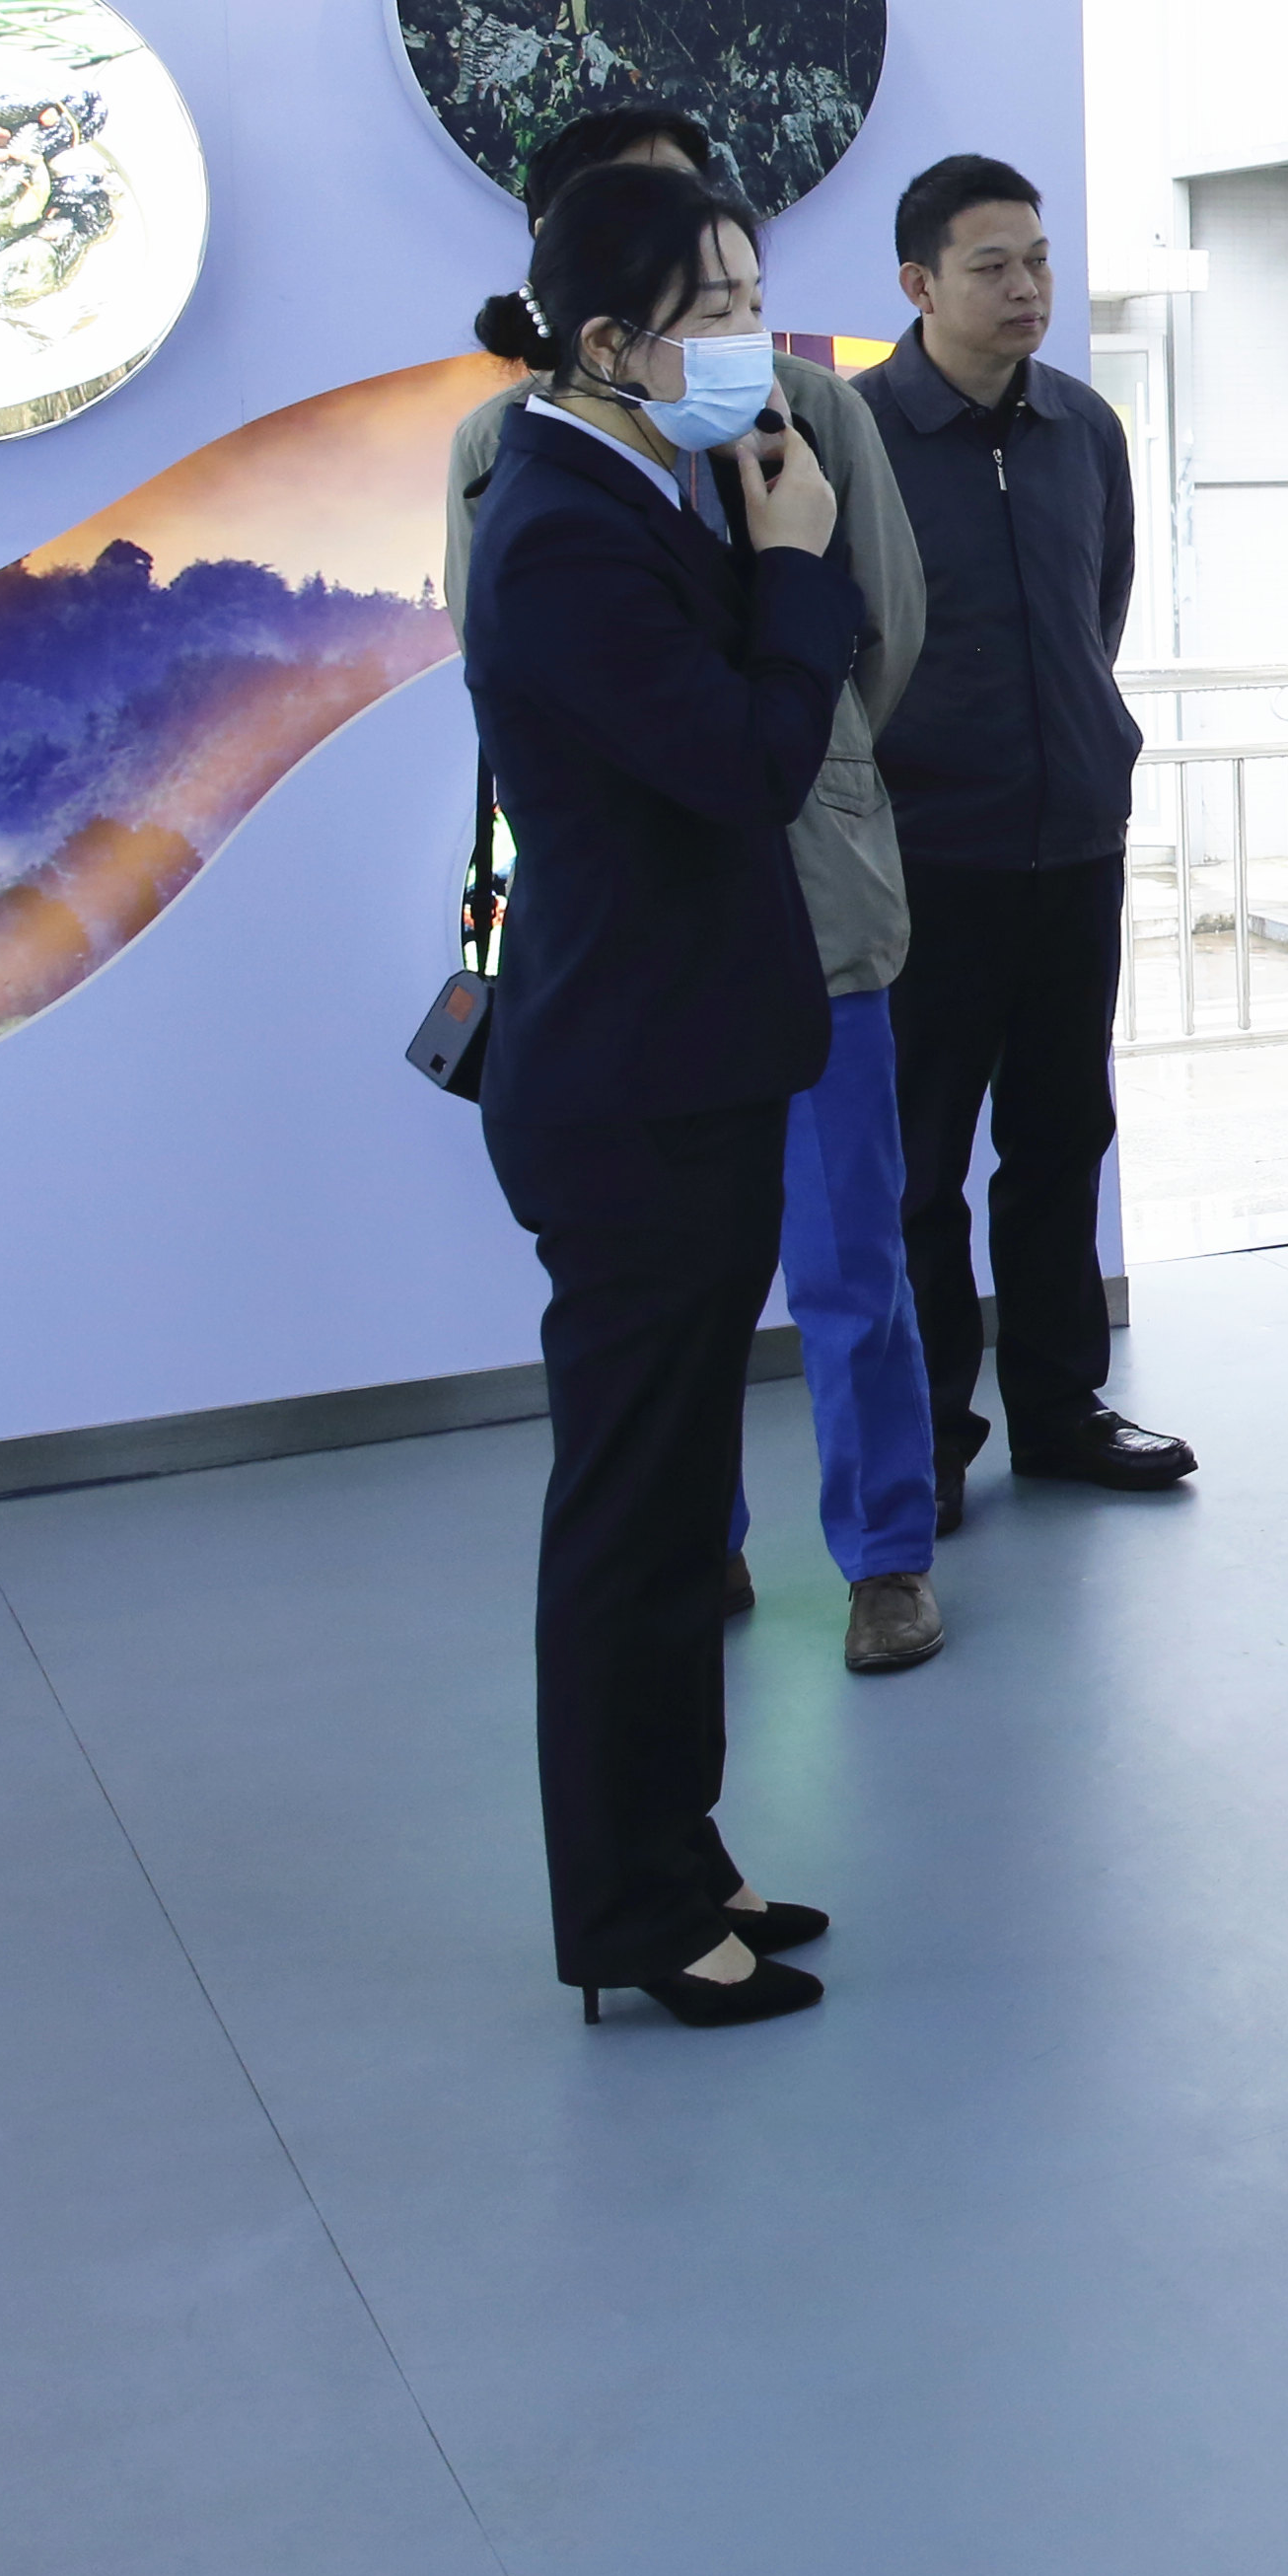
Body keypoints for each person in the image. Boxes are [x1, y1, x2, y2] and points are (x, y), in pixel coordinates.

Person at [446, 100, 949, 1674]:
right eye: (693, 278)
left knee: (849, 1257)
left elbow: (885, 623)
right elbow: (523, 679)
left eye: (735, 274)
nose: (730, 311)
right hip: (651, 936)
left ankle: (885, 1554)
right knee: (677, 1290)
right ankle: (701, 1540)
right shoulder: (514, 454)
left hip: (816, 901)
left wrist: (815, 765)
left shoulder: (811, 408)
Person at [458, 163, 852, 2025]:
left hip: (682, 1063)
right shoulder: (560, 528)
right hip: (631, 1090)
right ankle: (628, 1915)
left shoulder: (636, 481)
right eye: (719, 311)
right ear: (609, 344)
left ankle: (684, 1854)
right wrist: (799, 567)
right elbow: (749, 763)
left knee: (683, 1506)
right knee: (633, 1520)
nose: (754, 339)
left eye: (755, 295)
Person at [857, 155, 1197, 1517]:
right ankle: (932, 1435)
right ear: (919, 283)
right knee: (920, 1161)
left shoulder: (1084, 427)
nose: (1025, 288)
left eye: (1039, 260)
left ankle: (1061, 1409)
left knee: (1062, 1138)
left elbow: (1095, 609)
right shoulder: (858, 434)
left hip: (1073, 843)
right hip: (923, 854)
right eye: (992, 266)